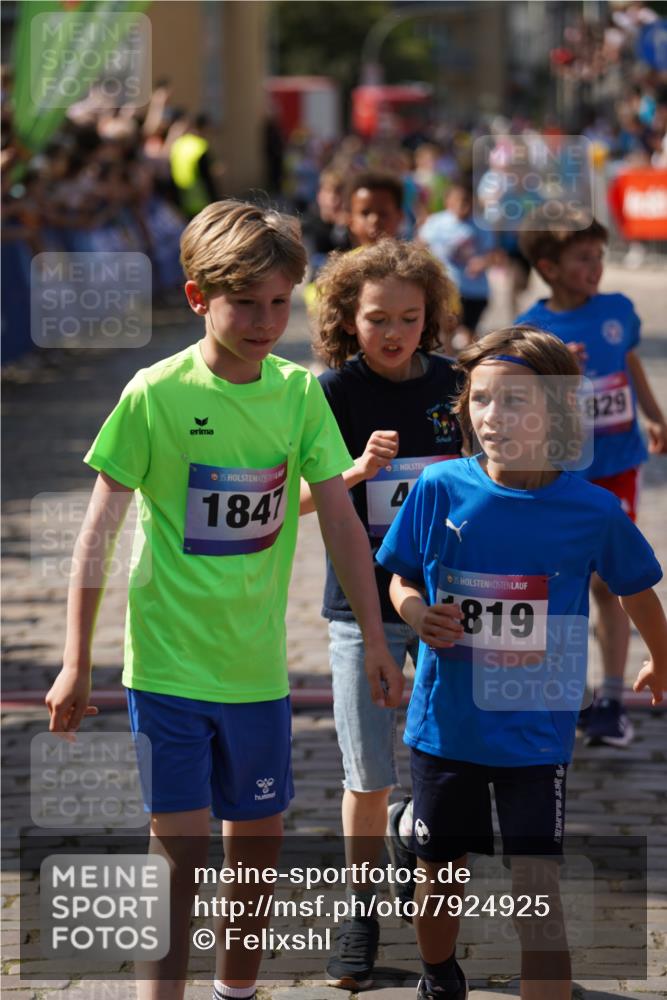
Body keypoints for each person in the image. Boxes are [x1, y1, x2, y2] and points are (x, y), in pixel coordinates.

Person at [45, 200, 404, 1000]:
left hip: (256, 674)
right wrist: (76, 661)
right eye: (246, 302)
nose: (265, 320)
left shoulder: (297, 395)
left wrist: (376, 639)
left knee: (256, 856)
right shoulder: (154, 393)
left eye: (281, 302)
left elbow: (341, 522)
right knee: (175, 858)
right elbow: (98, 530)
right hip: (167, 669)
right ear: (197, 297)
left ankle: (233, 992)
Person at [376, 325, 666, 1000]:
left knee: (535, 883)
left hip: (537, 730)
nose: (492, 417)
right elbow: (399, 577)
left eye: (514, 402)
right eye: (481, 400)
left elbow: (635, 590)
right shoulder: (440, 488)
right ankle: (438, 973)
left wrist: (661, 655)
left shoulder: (590, 509)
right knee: (439, 870)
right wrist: (417, 615)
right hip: (445, 724)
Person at [300, 239, 462, 989]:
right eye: (375, 319)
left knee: (440, 764)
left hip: (443, 607)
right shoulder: (328, 393)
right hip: (353, 607)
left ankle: (410, 840)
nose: (392, 332)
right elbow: (287, 501)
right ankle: (359, 909)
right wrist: (355, 474)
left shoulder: (459, 386)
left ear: (429, 316)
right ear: (347, 318)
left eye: (407, 317)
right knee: (366, 775)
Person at [516, 206, 667, 747]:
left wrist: (654, 414)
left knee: (610, 579)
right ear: (548, 266)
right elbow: (521, 401)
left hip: (619, 465)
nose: (596, 267)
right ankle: (563, 691)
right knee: (559, 582)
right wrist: (555, 370)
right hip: (561, 470)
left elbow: (630, 364)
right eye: (584, 258)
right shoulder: (535, 326)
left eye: (600, 256)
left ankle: (610, 699)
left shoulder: (619, 309)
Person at [419, 178, 498, 345]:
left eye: (467, 201)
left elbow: (493, 254)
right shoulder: (436, 223)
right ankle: (449, 362)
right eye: (458, 201)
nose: (463, 205)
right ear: (448, 201)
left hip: (475, 289)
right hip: (447, 287)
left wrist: (481, 262)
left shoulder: (481, 225)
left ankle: (465, 364)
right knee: (447, 327)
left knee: (469, 332)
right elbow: (419, 246)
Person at [345, 171, 404, 248]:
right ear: (350, 220)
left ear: (399, 217)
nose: (374, 219)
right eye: (365, 213)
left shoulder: (412, 259)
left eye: (382, 213)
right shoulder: (346, 260)